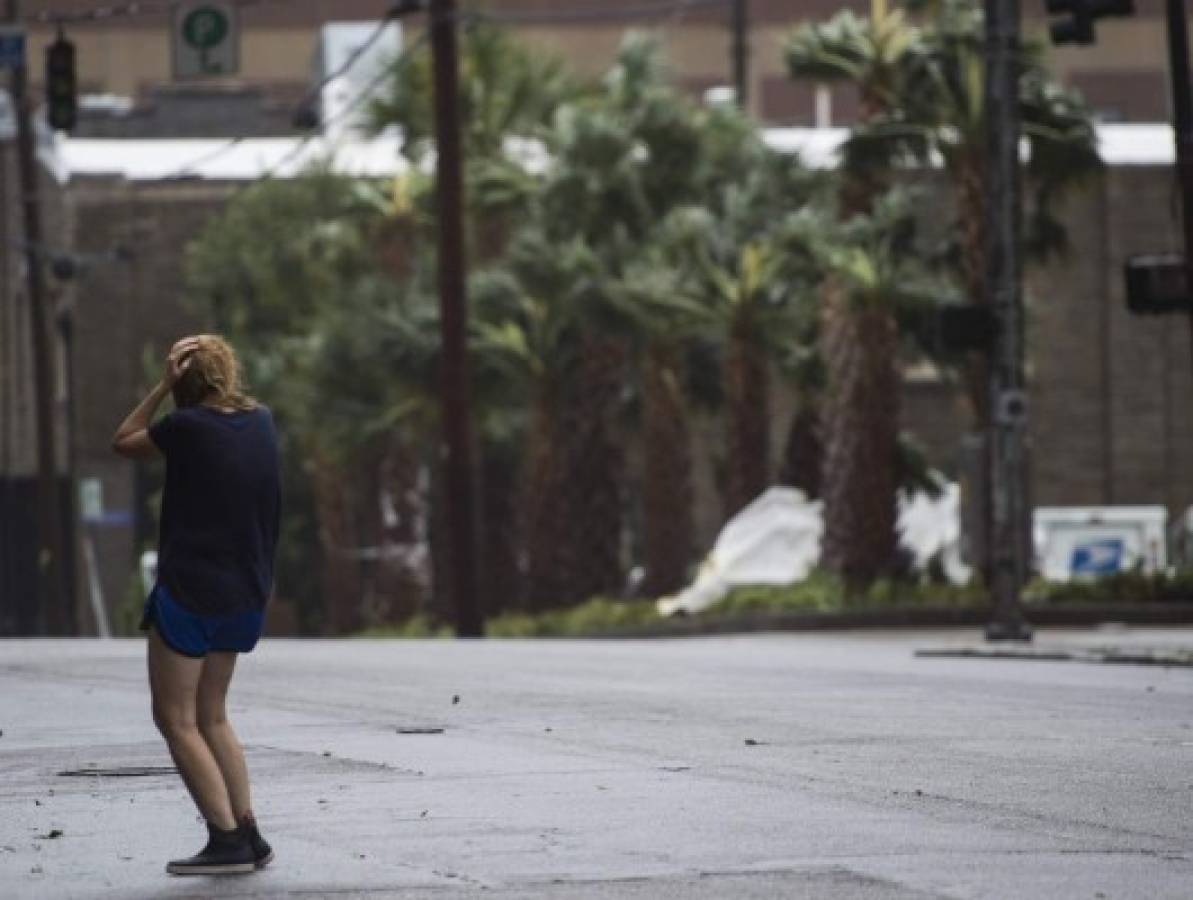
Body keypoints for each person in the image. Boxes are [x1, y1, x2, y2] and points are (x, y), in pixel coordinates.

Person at [112, 334, 280, 876]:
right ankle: (248, 833)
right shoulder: (262, 422)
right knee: (212, 715)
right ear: (228, 373)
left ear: (184, 381)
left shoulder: (185, 428)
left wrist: (161, 387)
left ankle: (225, 837)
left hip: (190, 592)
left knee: (175, 718)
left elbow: (124, 440)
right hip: (246, 591)